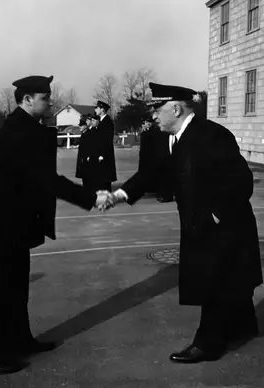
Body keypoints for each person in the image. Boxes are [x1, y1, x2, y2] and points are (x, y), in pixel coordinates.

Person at [102, 82, 263, 363]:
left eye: (157, 109)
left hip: (224, 225)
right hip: (197, 224)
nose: (153, 115)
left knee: (215, 282)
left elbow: (241, 180)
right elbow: (150, 173)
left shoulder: (212, 135)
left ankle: (207, 344)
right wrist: (118, 195)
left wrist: (216, 214)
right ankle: (242, 329)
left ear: (176, 109)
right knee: (229, 281)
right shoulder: (169, 138)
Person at [0, 75, 108, 375]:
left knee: (16, 288)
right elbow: (46, 179)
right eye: (44, 97)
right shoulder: (20, 130)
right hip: (1, 225)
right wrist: (90, 197)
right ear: (27, 99)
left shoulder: (26, 126)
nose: (50, 101)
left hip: (14, 224)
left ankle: (19, 341)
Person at [138, 117, 173, 202]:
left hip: (166, 156)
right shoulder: (156, 131)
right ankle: (162, 194)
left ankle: (166, 195)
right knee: (162, 178)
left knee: (165, 178)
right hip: (161, 156)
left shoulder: (159, 131)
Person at [92, 100, 117, 191]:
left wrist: (102, 154)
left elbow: (106, 140)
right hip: (101, 154)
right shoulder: (102, 122)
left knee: (105, 179)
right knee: (102, 178)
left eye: (97, 108)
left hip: (105, 155)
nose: (95, 110)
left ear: (102, 109)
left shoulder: (107, 122)